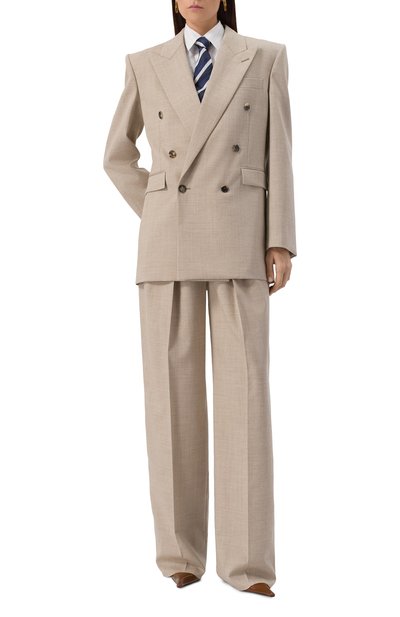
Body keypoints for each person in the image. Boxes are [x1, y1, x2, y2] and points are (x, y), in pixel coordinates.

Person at [103, 0, 296, 597]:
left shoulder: (265, 57)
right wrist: (160, 204)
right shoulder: (144, 62)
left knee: (246, 398)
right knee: (170, 399)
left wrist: (280, 239)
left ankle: (247, 565)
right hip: (169, 244)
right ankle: (179, 555)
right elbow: (116, 155)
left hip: (241, 237)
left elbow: (280, 154)